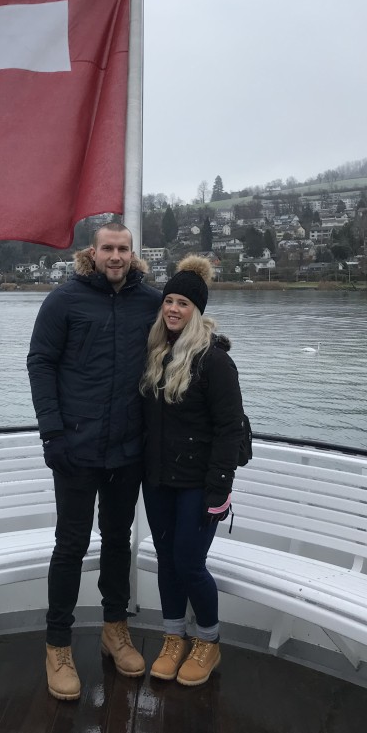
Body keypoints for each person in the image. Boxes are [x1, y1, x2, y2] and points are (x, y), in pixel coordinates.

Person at [27, 222, 161, 700]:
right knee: (70, 544)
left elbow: (187, 334)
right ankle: (57, 645)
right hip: (77, 448)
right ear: (93, 252)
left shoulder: (150, 302)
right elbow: (40, 362)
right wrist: (52, 433)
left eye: (124, 248)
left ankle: (114, 628)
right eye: (108, 248)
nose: (116, 256)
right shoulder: (65, 300)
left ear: (133, 253)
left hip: (127, 447)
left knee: (119, 541)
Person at [140, 254, 245, 686]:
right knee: (167, 559)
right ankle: (172, 636)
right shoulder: (156, 354)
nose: (173, 309)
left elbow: (229, 429)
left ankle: (209, 641)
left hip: (199, 485)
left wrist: (218, 490)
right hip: (159, 479)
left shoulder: (214, 361)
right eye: (169, 300)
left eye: (183, 302)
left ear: (197, 310)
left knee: (189, 562)